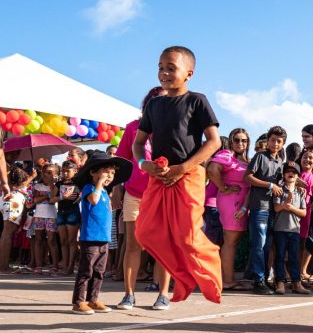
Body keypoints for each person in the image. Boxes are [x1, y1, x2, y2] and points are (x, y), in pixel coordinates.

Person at [133, 46, 222, 305]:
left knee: (187, 236)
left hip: (189, 174)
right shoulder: (154, 104)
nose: (164, 72)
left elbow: (214, 142)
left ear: (189, 73)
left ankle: (209, 270)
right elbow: (139, 144)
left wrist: (182, 168)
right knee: (146, 232)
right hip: (159, 175)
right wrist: (143, 164)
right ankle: (182, 278)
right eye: (161, 67)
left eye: (171, 68)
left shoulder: (197, 101)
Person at [115, 86, 169, 310]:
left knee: (163, 246)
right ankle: (129, 295)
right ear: (148, 104)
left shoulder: (175, 128)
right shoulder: (133, 128)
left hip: (163, 194)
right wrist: (117, 187)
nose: (161, 104)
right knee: (133, 245)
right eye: (156, 100)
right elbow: (121, 160)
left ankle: (163, 294)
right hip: (135, 194)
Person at [70, 151, 132, 314]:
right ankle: (79, 301)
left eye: (112, 173)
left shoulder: (105, 192)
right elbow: (93, 200)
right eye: (106, 172)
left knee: (99, 271)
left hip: (103, 238)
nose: (110, 176)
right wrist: (99, 184)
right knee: (86, 270)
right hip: (90, 238)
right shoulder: (89, 188)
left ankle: (93, 299)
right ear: (93, 172)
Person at [242, 125, 286, 294]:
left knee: (267, 246)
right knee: (258, 245)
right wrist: (269, 184)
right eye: (273, 140)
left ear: (282, 144)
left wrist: (297, 183)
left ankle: (265, 278)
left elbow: (282, 183)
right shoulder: (260, 156)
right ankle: (258, 280)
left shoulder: (280, 162)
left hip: (272, 209)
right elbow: (247, 177)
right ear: (267, 141)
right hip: (259, 207)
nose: (275, 143)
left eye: (279, 141)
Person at [207, 128, 251, 291]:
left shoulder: (244, 159)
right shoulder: (227, 154)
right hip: (231, 200)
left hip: (241, 201)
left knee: (232, 241)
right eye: (237, 140)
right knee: (230, 242)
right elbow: (211, 169)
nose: (240, 143)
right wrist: (223, 188)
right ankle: (227, 280)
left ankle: (225, 278)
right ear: (231, 141)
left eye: (244, 140)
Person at [272, 160, 310, 294]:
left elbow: (304, 213)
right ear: (283, 174)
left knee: (294, 257)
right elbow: (276, 208)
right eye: (288, 171)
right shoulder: (280, 190)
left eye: (294, 172)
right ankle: (280, 282)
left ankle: (296, 283)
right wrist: (284, 205)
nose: (291, 173)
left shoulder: (300, 193)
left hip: (294, 230)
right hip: (280, 229)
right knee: (280, 256)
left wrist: (291, 207)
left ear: (297, 176)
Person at [0, 167, 31, 275]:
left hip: (7, 203)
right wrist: (33, 176)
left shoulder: (9, 184)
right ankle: (4, 268)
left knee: (6, 234)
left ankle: (4, 266)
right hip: (13, 204)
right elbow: (19, 186)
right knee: (7, 234)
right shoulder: (15, 187)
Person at [298, 148, 313, 282]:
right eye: (304, 157)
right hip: (290, 211)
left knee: (303, 241)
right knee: (289, 241)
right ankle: (289, 273)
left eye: (310, 158)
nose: (307, 160)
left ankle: (301, 272)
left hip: (306, 212)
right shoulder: (294, 172)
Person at [30, 164, 60, 272]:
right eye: (45, 172)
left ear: (56, 174)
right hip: (39, 214)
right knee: (38, 239)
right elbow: (35, 200)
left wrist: (50, 186)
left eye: (50, 172)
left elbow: (53, 196)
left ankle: (55, 265)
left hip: (51, 214)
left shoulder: (56, 185)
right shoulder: (38, 186)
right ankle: (39, 265)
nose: (47, 175)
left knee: (51, 240)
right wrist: (46, 196)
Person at [54, 161, 81, 275]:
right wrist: (62, 197)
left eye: (68, 171)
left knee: (72, 241)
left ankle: (70, 266)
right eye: (63, 171)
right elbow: (52, 199)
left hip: (73, 212)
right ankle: (65, 266)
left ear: (75, 171)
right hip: (61, 212)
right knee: (63, 241)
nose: (65, 173)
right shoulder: (58, 184)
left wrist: (78, 197)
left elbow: (81, 196)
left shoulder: (79, 182)